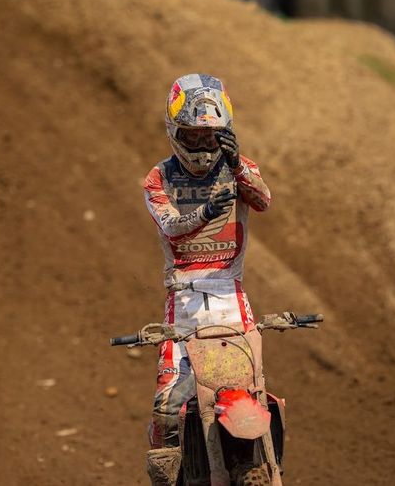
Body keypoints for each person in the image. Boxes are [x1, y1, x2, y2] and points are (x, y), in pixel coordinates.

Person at [143, 73, 271, 484]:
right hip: (183, 298)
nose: (200, 146)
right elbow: (170, 226)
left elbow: (263, 200)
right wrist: (206, 213)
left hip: (231, 293)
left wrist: (237, 165)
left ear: (225, 135)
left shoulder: (239, 169)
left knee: (253, 390)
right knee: (167, 407)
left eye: (209, 136)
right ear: (174, 131)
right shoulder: (159, 178)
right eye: (192, 136)